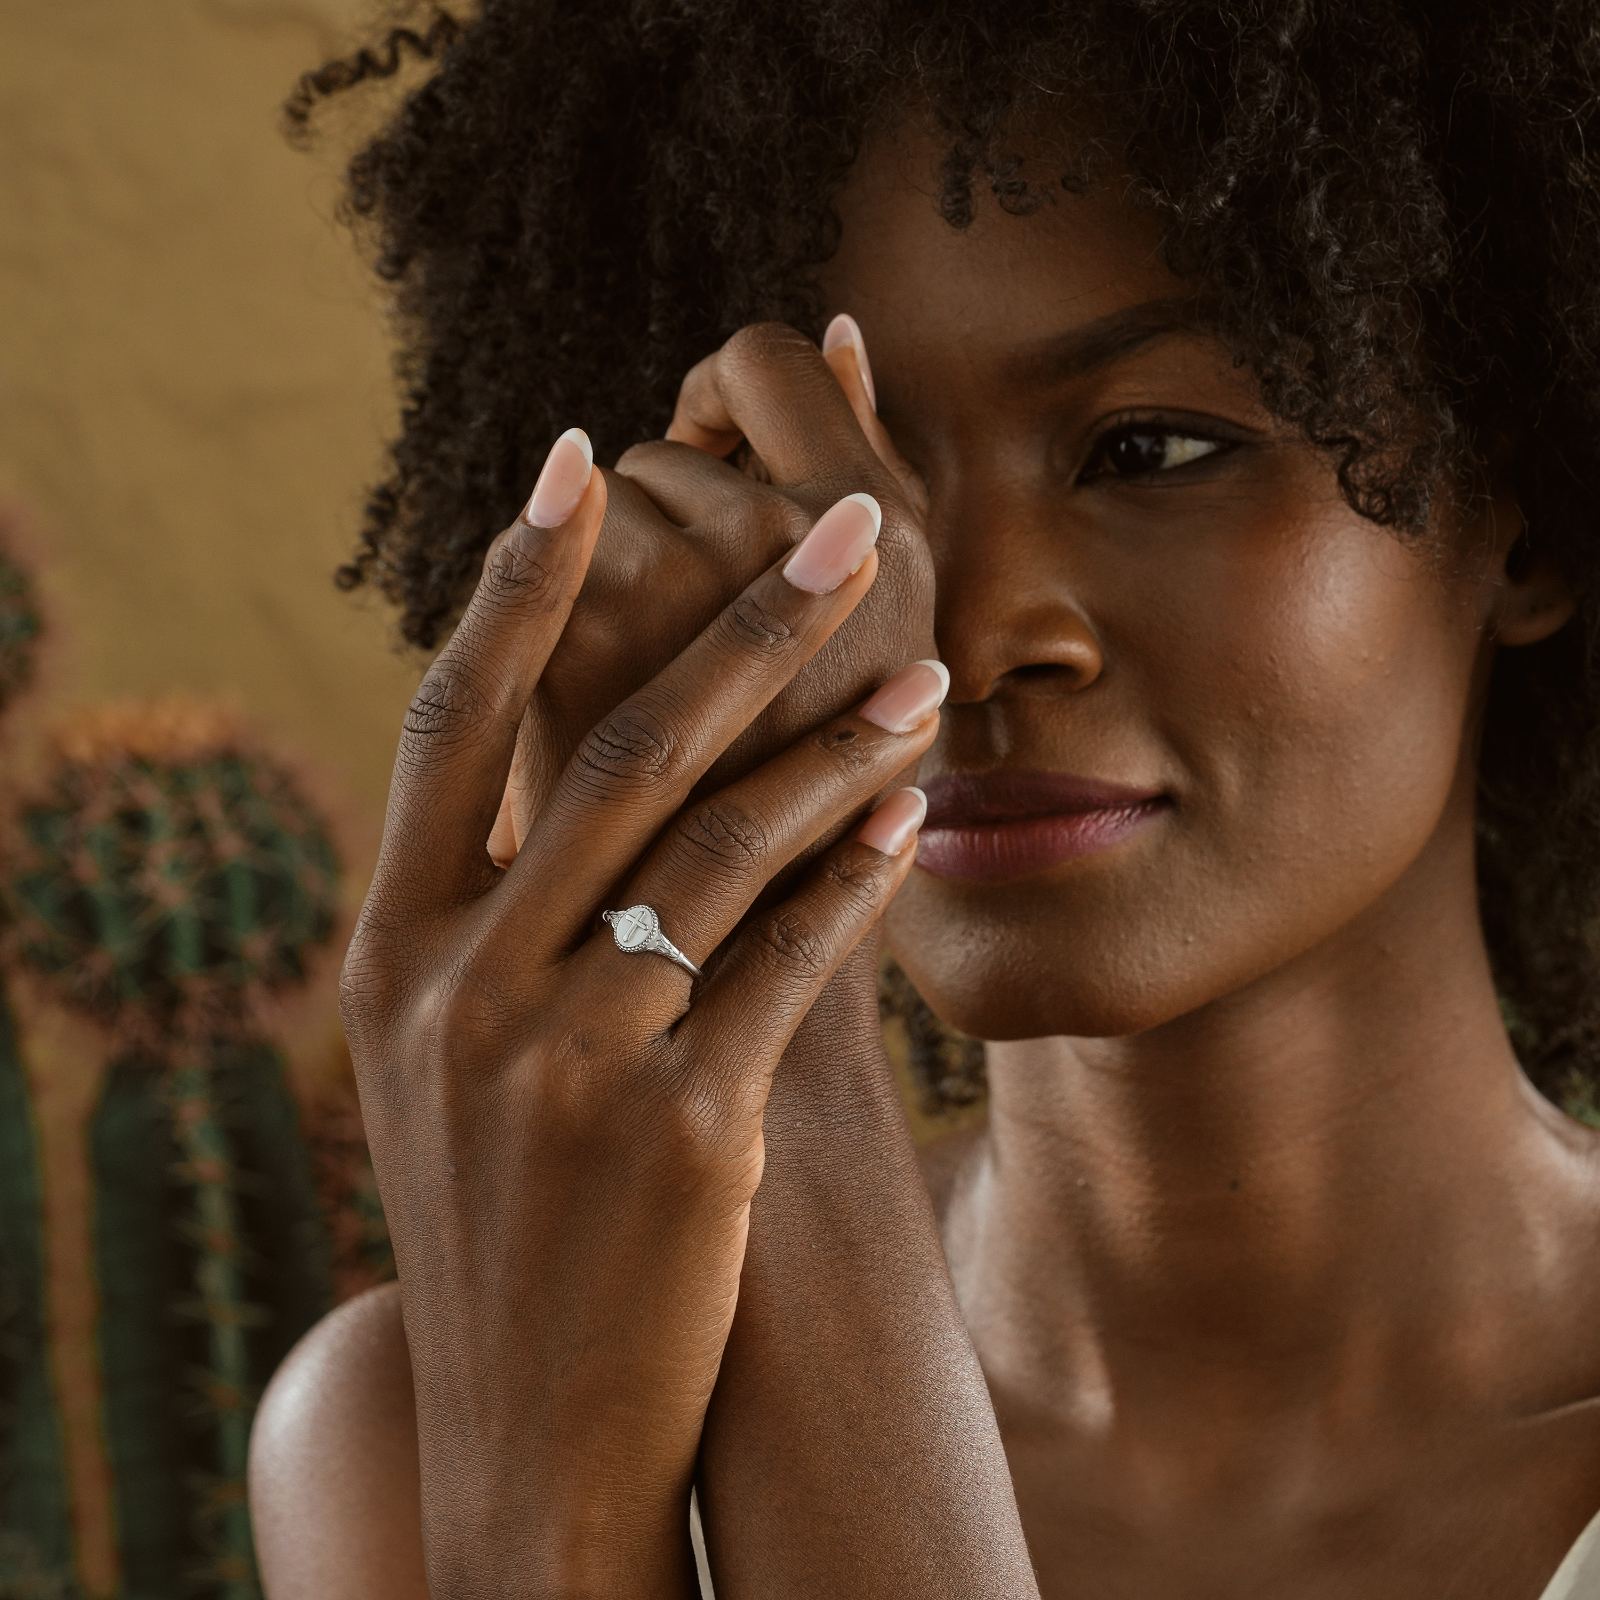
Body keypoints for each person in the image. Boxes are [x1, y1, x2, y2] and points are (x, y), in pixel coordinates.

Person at [247, 4, 1600, 1595]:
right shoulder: (414, 1422)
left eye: (1150, 447)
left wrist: (785, 1043)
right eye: (830, 487)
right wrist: (551, 1487)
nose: (954, 633)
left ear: (1531, 524)